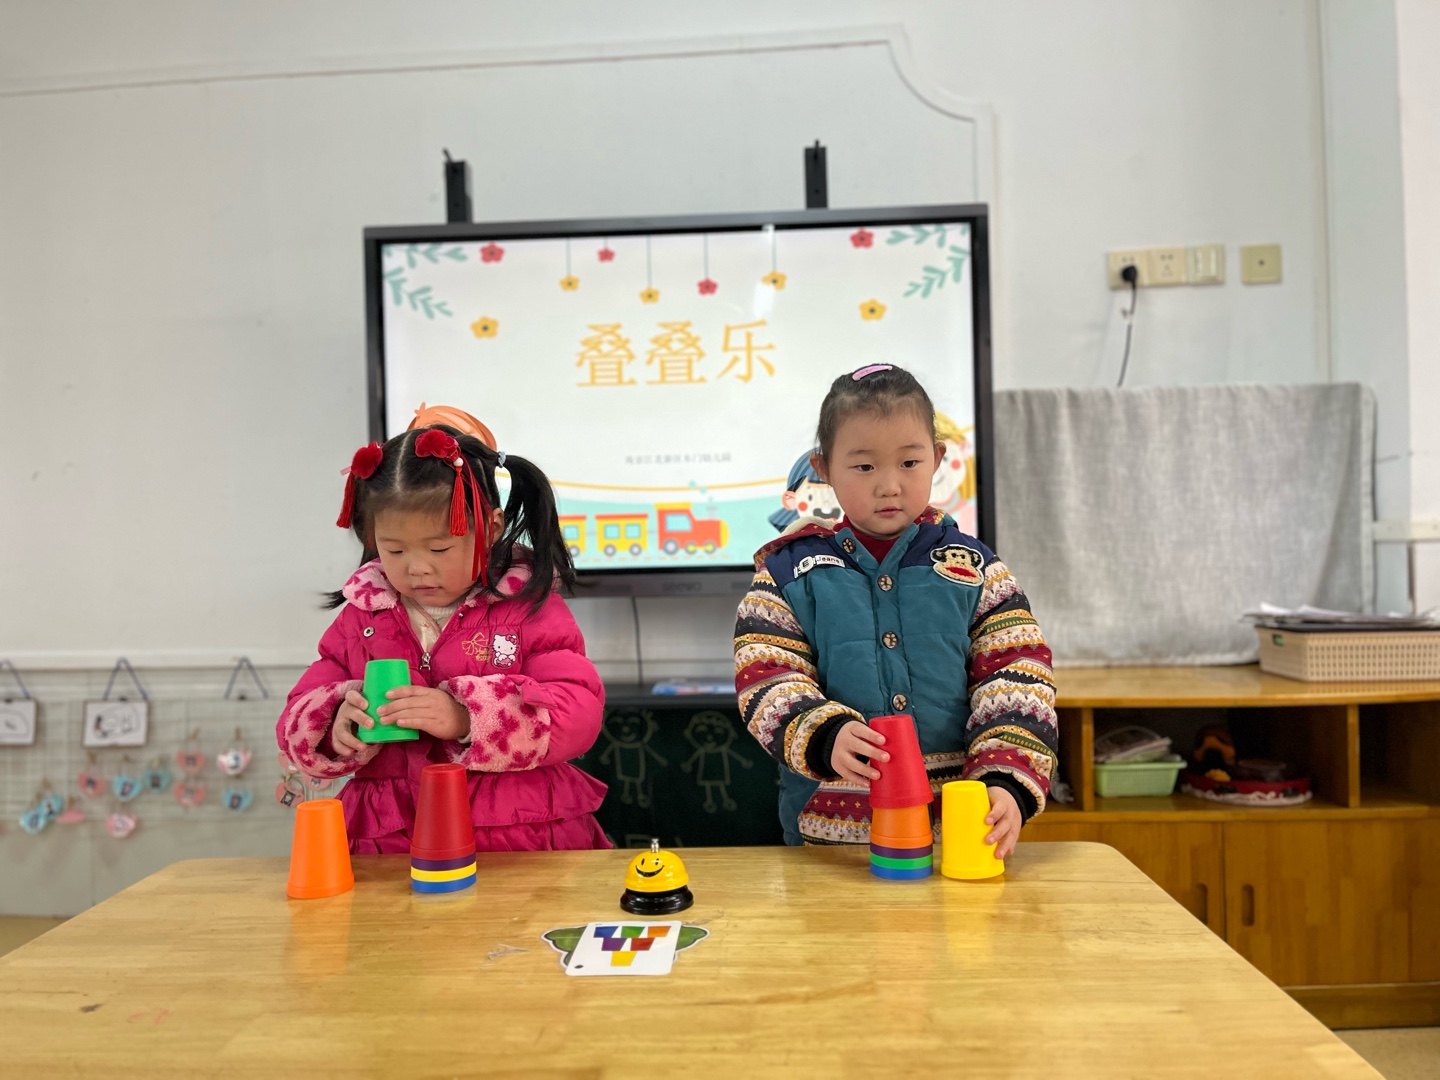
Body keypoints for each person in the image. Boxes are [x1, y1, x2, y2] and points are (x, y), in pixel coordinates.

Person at [734, 364, 1057, 854]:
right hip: (830, 842)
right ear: (824, 469)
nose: (889, 485)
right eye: (864, 467)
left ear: (937, 459)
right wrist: (824, 734)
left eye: (909, 462)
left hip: (960, 834)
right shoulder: (787, 573)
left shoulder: (977, 570)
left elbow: (1018, 674)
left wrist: (1006, 777)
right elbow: (766, 674)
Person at [277, 424, 609, 852]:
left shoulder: (527, 609)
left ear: (490, 528)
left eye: (439, 549)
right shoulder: (361, 617)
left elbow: (579, 711)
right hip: (394, 838)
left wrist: (469, 717)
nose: (417, 568)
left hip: (515, 836)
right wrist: (336, 724)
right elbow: (298, 714)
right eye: (395, 550)